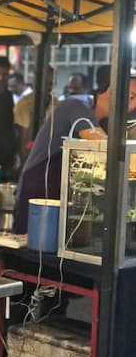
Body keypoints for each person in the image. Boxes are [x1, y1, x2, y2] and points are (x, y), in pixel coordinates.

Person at [13, 72, 136, 235]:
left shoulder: (105, 121)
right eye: (132, 96)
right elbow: (106, 148)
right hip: (37, 188)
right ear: (113, 90)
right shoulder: (77, 105)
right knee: (31, 249)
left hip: (64, 194)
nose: (132, 104)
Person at [13, 65, 55, 169]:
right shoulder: (24, 104)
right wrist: (25, 166)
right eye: (45, 83)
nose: (48, 88)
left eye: (50, 84)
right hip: (29, 158)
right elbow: (22, 138)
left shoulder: (56, 104)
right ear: (36, 82)